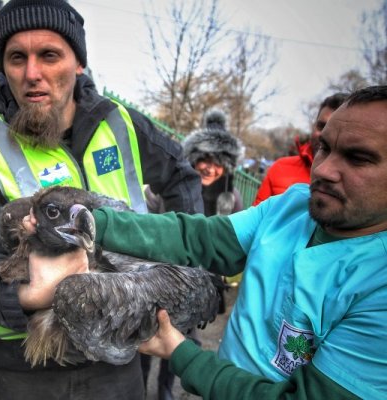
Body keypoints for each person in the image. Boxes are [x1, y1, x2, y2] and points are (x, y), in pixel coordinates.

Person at [0, 0, 203, 398]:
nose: (32, 74)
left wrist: (179, 269)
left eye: (49, 55)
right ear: (3, 68)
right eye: (16, 58)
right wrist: (34, 295)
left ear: (78, 63)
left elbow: (181, 175)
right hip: (29, 366)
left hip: (122, 357)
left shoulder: (120, 122)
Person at [90, 85, 387, 398]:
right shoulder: (289, 206)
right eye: (324, 148)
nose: (324, 169)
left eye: (358, 158)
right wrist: (95, 222)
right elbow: (198, 236)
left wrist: (184, 356)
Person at [253, 92, 348, 205]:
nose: (324, 134)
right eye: (321, 126)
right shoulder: (279, 168)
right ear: (313, 126)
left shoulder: (356, 182)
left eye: (334, 129)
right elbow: (256, 219)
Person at [182, 109, 244, 216]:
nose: (210, 170)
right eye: (205, 160)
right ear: (194, 159)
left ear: (226, 168)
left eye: (218, 164)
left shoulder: (232, 197)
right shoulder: (171, 184)